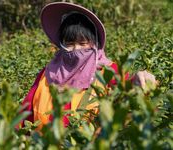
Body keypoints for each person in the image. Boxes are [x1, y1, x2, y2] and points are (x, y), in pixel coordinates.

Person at [20, 2, 156, 131]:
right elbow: (24, 116)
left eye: (82, 43)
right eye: (69, 43)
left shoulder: (107, 71)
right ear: (61, 43)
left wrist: (140, 77)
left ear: (94, 42)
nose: (75, 49)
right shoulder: (47, 73)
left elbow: (128, 85)